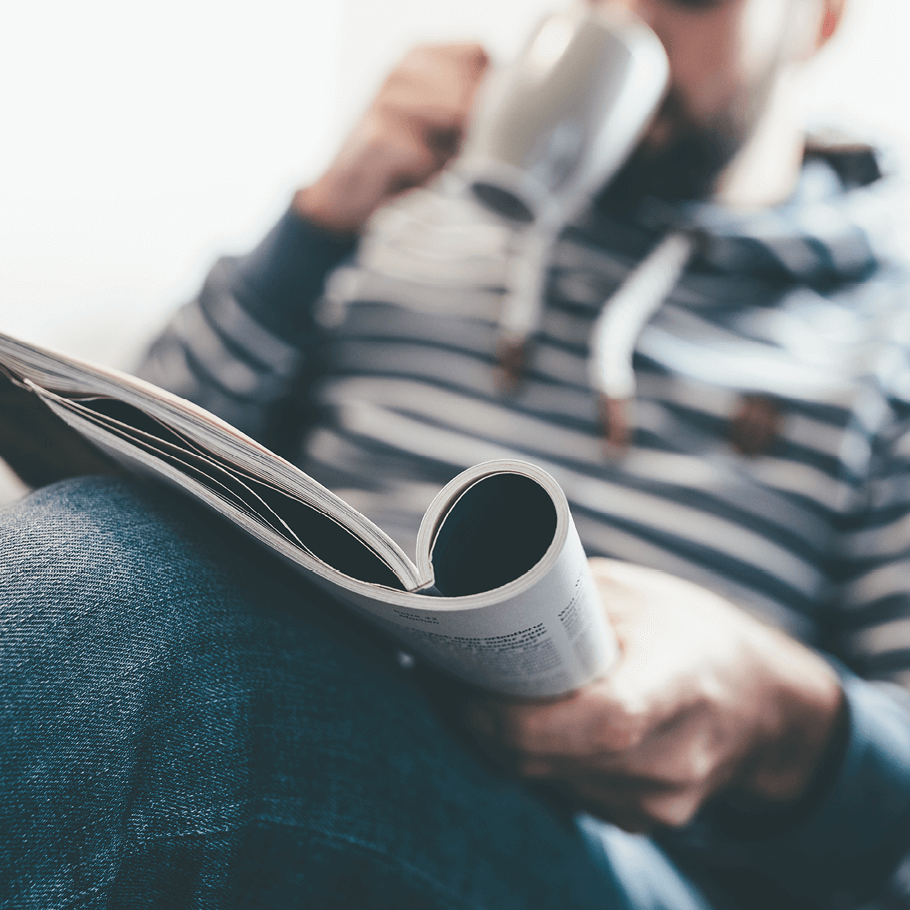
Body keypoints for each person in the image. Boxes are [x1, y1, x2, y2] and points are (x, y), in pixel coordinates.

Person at [3, 0, 910, 906]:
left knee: (151, 622)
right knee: (107, 557)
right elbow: (130, 456)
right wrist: (319, 224)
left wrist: (781, 718)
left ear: (820, 20)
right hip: (297, 784)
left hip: (616, 861)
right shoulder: (406, 216)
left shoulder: (884, 344)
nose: (621, 19)